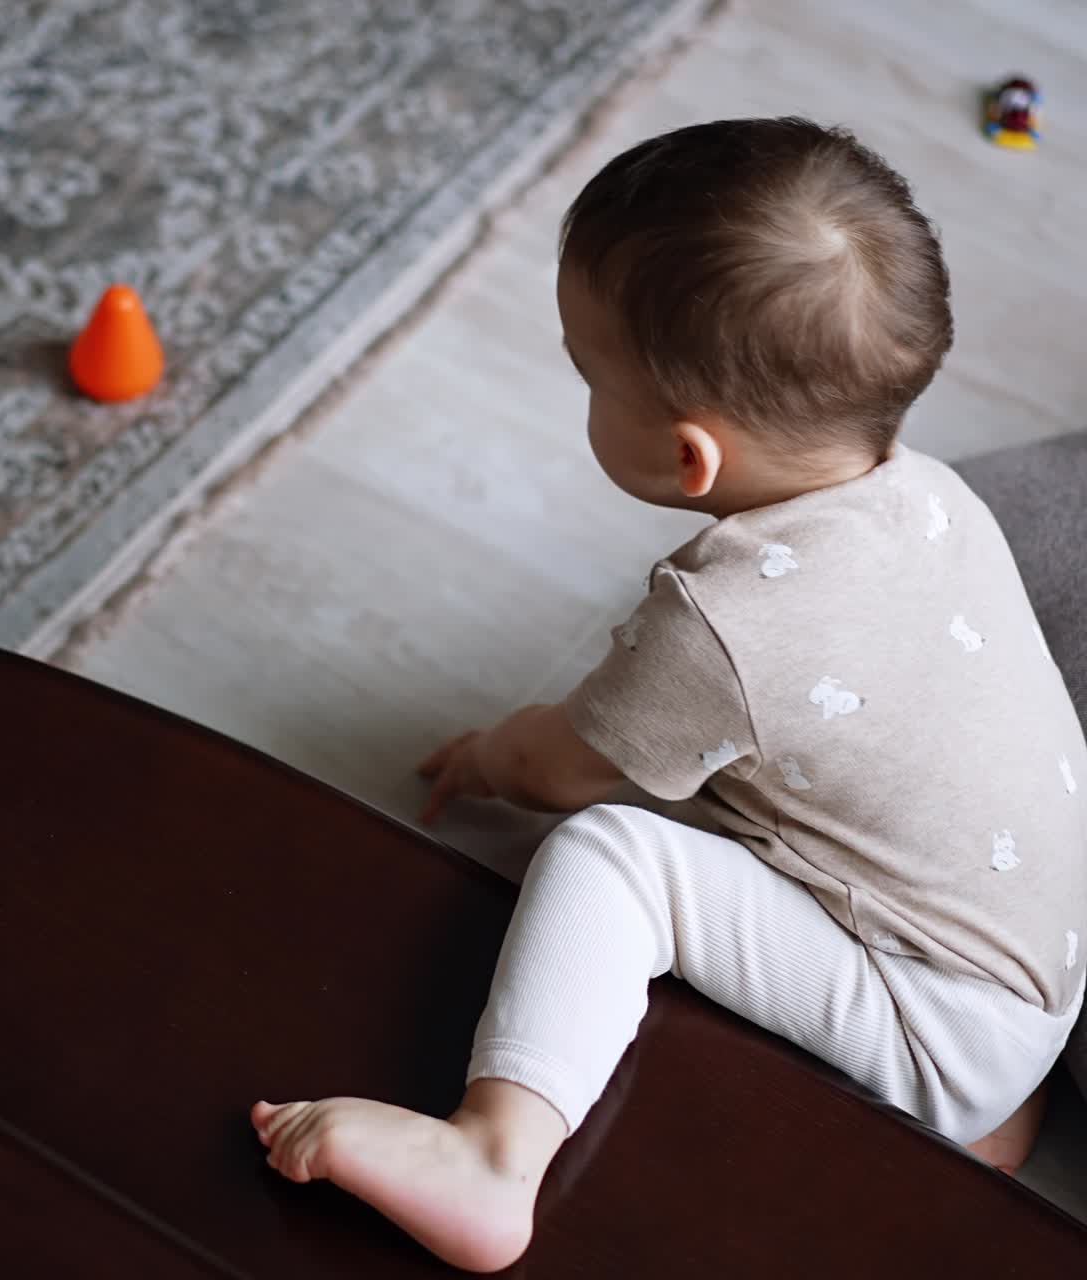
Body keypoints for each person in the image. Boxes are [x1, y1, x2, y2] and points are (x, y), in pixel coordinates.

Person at [251, 117, 1087, 1273]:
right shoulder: (936, 495)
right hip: (1043, 955)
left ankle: (494, 1155)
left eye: (589, 374)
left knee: (611, 855)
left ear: (691, 459)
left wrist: (493, 753)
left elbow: (562, 767)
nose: (581, 390)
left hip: (940, 1018)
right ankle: (990, 1100)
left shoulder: (718, 623)